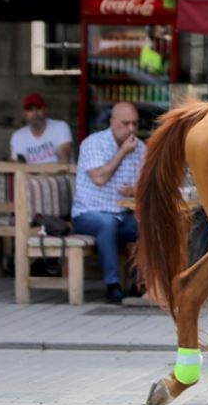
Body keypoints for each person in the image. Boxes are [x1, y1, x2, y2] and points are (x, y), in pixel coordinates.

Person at [71, 102, 145, 304]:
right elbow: (99, 178)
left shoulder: (140, 148)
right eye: (125, 123)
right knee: (107, 223)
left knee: (147, 225)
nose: (131, 129)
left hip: (122, 214)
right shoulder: (93, 143)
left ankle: (139, 283)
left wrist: (134, 190)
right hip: (88, 214)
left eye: (135, 124)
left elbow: (146, 187)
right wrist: (122, 153)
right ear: (112, 122)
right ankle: (112, 286)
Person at [10, 93, 72, 164]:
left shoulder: (60, 127)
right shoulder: (18, 136)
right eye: (30, 109)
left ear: (45, 110)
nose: (35, 113)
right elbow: (18, 165)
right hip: (30, 175)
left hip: (59, 174)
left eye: (38, 108)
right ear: (24, 114)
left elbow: (65, 157)